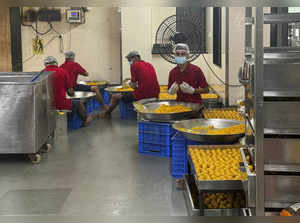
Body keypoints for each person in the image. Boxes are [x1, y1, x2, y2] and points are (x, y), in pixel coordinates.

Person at [168, 43, 209, 190]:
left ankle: (196, 174)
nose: (179, 56)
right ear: (174, 55)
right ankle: (183, 175)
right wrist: (171, 91)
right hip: (181, 110)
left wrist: (193, 91)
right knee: (182, 143)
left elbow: (206, 88)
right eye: (177, 54)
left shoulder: (196, 70)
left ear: (188, 55)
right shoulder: (173, 72)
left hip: (195, 110)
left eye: (182, 54)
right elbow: (170, 90)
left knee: (194, 143)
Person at [100, 51, 160, 118]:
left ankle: (106, 114)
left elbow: (133, 85)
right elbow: (144, 79)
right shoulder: (149, 64)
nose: (130, 62)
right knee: (129, 93)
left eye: (129, 60)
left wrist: (129, 85)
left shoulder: (134, 65)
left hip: (144, 95)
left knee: (115, 97)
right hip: (156, 94)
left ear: (135, 58)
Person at [44, 56, 93, 126]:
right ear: (56, 63)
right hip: (60, 104)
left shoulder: (41, 74)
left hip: (46, 106)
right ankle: (85, 121)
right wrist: (71, 94)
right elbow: (70, 92)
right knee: (79, 103)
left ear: (45, 64)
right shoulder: (63, 72)